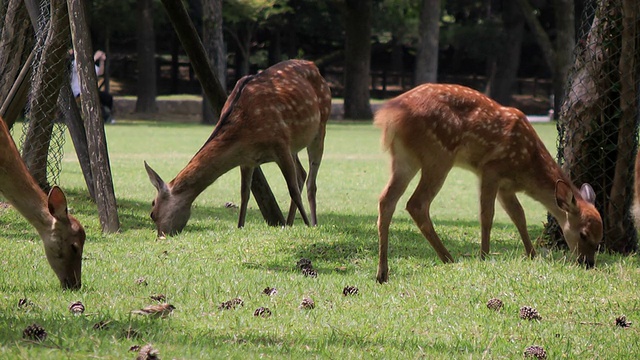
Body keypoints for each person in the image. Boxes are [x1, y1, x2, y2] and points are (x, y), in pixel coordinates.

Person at [69, 49, 115, 124]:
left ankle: (107, 116)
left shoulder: (90, 65)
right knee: (93, 98)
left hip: (88, 92)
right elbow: (83, 68)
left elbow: (100, 72)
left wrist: (101, 61)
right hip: (77, 92)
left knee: (108, 98)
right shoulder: (75, 63)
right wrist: (95, 57)